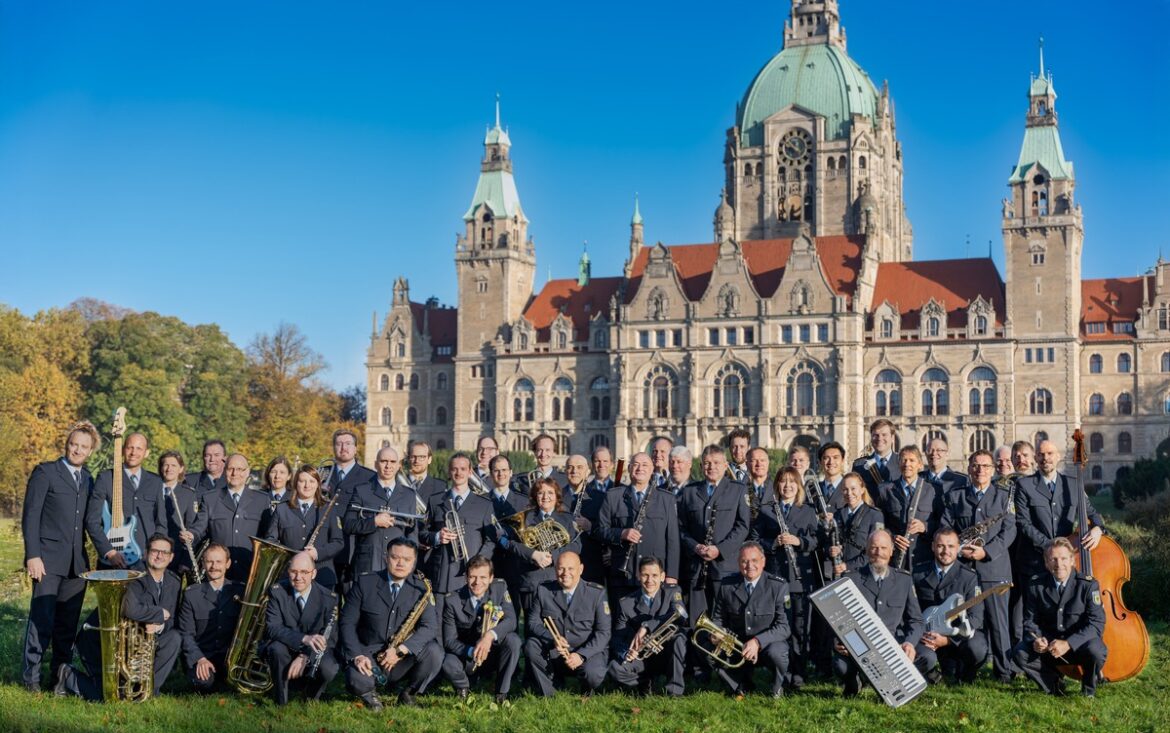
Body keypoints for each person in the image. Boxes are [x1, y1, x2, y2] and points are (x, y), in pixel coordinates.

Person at [55, 533, 184, 700]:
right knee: (109, 697)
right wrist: (159, 614)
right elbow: (129, 609)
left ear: (171, 557)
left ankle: (148, 691)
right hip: (102, 641)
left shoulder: (174, 582)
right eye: (155, 551)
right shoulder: (133, 576)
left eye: (164, 552)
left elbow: (172, 619)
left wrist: (160, 626)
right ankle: (68, 675)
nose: (159, 556)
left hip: (135, 643)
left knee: (173, 637)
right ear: (145, 553)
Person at [22, 420, 100, 691]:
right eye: (73, 444)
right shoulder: (46, 472)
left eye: (83, 447)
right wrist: (33, 555)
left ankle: (59, 679)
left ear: (90, 451)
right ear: (66, 444)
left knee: (67, 626)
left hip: (76, 566)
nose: (77, 450)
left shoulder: (89, 479)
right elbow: (31, 515)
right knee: (42, 621)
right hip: (47, 561)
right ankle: (31, 680)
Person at [941, 449, 1017, 683]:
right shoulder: (956, 496)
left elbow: (1009, 531)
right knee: (960, 622)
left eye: (985, 466)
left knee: (998, 624)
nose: (980, 470)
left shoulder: (1004, 497)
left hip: (994, 570)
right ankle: (962, 672)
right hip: (963, 572)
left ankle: (1004, 673)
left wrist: (986, 552)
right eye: (975, 465)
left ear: (993, 470)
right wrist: (957, 549)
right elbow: (946, 526)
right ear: (969, 468)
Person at [341, 537, 442, 711]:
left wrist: (401, 650)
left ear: (414, 562)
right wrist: (357, 655)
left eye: (407, 559)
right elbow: (346, 623)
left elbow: (430, 626)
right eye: (395, 557)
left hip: (401, 657)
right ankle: (370, 694)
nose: (401, 563)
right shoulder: (365, 583)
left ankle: (409, 693)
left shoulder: (421, 589)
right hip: (369, 655)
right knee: (355, 679)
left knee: (434, 652)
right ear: (386, 557)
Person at [1013, 537, 1106, 697]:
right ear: (1046, 562)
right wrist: (1037, 639)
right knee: (1020, 652)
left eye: (1063, 558)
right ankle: (1055, 686)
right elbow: (1030, 620)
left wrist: (1069, 643)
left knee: (1096, 650)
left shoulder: (1088, 584)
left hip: (1079, 646)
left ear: (1072, 560)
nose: (1058, 564)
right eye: (1053, 559)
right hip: (1050, 646)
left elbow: (1096, 623)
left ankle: (1088, 690)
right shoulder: (1036, 585)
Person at [835, 530, 923, 698]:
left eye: (884, 548)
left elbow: (916, 620)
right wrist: (838, 642)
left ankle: (891, 681)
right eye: (874, 548)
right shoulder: (851, 579)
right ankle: (855, 682)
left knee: (927, 658)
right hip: (859, 645)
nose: (879, 553)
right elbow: (836, 617)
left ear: (891, 551)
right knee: (841, 665)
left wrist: (909, 643)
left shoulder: (904, 580)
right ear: (867, 550)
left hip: (892, 645)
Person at [422, 453, 497, 640]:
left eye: (463, 469)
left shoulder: (484, 504)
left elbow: (491, 539)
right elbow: (422, 533)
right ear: (449, 472)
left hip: (472, 577)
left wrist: (479, 563)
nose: (459, 473)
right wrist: (437, 536)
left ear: (470, 472)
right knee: (439, 626)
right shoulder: (435, 501)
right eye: (454, 469)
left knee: (471, 625)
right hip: (443, 574)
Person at [756, 466, 818, 687]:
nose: (788, 486)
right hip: (775, 578)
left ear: (799, 485)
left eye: (792, 482)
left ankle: (799, 673)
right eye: (783, 482)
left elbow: (815, 541)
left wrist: (798, 542)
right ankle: (781, 671)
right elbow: (756, 540)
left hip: (799, 578)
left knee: (800, 628)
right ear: (777, 486)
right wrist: (773, 543)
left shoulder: (808, 510)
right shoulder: (767, 511)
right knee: (779, 626)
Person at [678, 445, 750, 626]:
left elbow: (742, 526)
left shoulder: (738, 490)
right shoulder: (689, 491)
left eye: (716, 463)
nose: (712, 467)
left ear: (726, 465)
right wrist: (694, 546)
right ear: (701, 466)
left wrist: (720, 549)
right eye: (707, 463)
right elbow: (680, 528)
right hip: (696, 570)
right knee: (697, 623)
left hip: (725, 568)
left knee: (726, 621)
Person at [598, 452, 680, 611]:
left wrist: (672, 575)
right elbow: (600, 530)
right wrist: (621, 534)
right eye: (635, 464)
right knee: (622, 625)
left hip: (655, 577)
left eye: (645, 465)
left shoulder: (666, 499)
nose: (640, 468)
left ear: (652, 470)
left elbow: (673, 541)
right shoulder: (613, 496)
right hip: (624, 574)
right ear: (629, 468)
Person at [524, 551, 612, 697]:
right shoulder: (543, 590)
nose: (565, 573)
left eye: (571, 568)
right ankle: (549, 692)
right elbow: (532, 622)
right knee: (531, 645)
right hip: (556, 651)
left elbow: (604, 633)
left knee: (593, 675)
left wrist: (581, 655)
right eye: (561, 568)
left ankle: (586, 686)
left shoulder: (596, 593)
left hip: (586, 651)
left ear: (581, 569)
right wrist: (552, 639)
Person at [710, 542, 791, 698]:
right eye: (744, 561)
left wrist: (757, 641)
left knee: (778, 652)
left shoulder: (778, 586)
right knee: (708, 649)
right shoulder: (727, 585)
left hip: (766, 645)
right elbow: (718, 618)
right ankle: (740, 685)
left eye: (754, 560)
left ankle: (776, 687)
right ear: (738, 563)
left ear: (763, 561)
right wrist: (715, 632)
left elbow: (783, 627)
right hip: (738, 643)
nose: (749, 565)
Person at [261, 551, 340, 705]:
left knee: (329, 668)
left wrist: (305, 656)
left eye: (304, 572)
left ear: (314, 573)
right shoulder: (277, 592)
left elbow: (330, 638)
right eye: (294, 572)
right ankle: (280, 700)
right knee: (275, 649)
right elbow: (272, 628)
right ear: (287, 572)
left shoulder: (329, 598)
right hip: (285, 646)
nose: (298, 577)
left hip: (314, 650)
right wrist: (304, 639)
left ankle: (310, 696)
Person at [440, 555, 520, 703]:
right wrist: (472, 651)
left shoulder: (500, 588)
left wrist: (489, 636)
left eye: (483, 577)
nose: (477, 582)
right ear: (466, 577)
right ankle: (463, 687)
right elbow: (449, 641)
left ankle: (501, 693)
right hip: (469, 656)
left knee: (513, 640)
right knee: (447, 661)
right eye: (472, 577)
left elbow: (511, 620)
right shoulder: (452, 600)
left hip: (493, 653)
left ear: (491, 578)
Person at [911, 529, 987, 684]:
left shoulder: (969, 576)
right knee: (924, 657)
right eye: (940, 546)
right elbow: (910, 611)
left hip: (956, 635)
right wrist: (922, 635)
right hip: (926, 634)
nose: (946, 551)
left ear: (958, 548)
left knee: (977, 647)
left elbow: (976, 618)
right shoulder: (917, 573)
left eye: (951, 546)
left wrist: (947, 640)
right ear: (932, 546)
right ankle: (931, 674)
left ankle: (966, 674)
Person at [85, 431, 167, 571]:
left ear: (146, 453)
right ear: (123, 450)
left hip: (145, 562)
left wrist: (155, 552)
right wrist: (109, 552)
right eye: (130, 447)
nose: (133, 452)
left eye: (139, 448)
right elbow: (92, 521)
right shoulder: (105, 478)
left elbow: (161, 523)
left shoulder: (155, 482)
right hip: (111, 561)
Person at [607, 556, 687, 696]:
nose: (650, 580)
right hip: (642, 658)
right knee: (614, 668)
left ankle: (674, 691)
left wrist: (647, 626)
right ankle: (644, 681)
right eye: (645, 575)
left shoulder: (673, 592)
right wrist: (627, 652)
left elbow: (680, 615)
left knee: (679, 638)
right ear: (638, 576)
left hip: (667, 656)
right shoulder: (626, 603)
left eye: (655, 575)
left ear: (662, 577)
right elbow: (617, 638)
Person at [501, 478, 581, 615]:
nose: (545, 497)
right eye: (540, 493)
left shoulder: (567, 519)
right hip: (531, 580)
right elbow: (510, 543)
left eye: (550, 492)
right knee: (531, 626)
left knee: (558, 625)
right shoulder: (525, 518)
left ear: (557, 496)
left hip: (558, 579)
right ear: (535, 496)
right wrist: (533, 554)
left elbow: (576, 546)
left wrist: (554, 556)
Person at [187, 453, 270, 583]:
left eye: (240, 469)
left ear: (247, 472)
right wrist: (191, 534)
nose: (234, 473)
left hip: (250, 573)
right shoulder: (210, 498)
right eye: (230, 469)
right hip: (219, 573)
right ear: (225, 471)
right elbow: (199, 527)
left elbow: (268, 535)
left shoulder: (262, 500)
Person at [345, 446, 423, 577]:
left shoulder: (409, 495)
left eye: (392, 462)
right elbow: (348, 525)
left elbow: (412, 533)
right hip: (368, 562)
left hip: (398, 564)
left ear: (399, 465)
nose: (388, 466)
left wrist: (411, 562)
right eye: (383, 461)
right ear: (376, 464)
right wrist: (373, 521)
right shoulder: (361, 490)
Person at [264, 464, 344, 590]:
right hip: (289, 576)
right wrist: (289, 556)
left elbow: (338, 542)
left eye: (312, 481)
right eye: (302, 481)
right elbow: (270, 540)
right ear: (296, 483)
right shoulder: (282, 509)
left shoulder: (328, 509)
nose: (307, 485)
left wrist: (317, 553)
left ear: (318, 484)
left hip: (321, 576)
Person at [177, 543, 243, 692]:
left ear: (228, 564)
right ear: (203, 564)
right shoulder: (191, 594)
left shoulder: (241, 591)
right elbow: (186, 634)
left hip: (230, 658)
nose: (214, 566)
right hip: (204, 655)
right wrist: (199, 659)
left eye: (219, 561)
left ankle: (223, 678)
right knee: (203, 683)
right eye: (209, 562)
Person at [875, 445, 939, 570]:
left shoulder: (932, 490)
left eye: (912, 460)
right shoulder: (885, 490)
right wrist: (890, 537)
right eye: (903, 460)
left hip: (924, 559)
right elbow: (878, 524)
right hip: (896, 560)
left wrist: (924, 526)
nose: (907, 464)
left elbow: (942, 523)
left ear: (920, 465)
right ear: (898, 464)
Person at [828, 473, 884, 576]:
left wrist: (848, 566)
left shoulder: (875, 515)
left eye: (853, 488)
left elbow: (876, 550)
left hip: (864, 574)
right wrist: (834, 549)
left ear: (862, 489)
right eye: (845, 489)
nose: (849, 493)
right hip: (841, 574)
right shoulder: (837, 515)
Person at [158, 451, 200, 579]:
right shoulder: (151, 490)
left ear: (181, 469)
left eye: (174, 465)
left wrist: (186, 560)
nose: (169, 469)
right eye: (166, 465)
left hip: (175, 558)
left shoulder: (188, 494)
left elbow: (191, 529)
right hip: (151, 554)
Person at [852, 419, 900, 494]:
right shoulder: (859, 465)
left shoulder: (902, 462)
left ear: (892, 438)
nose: (879, 438)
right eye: (875, 435)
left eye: (884, 435)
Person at [745, 447, 775, 538]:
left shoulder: (779, 489)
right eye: (754, 460)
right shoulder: (738, 490)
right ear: (746, 464)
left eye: (762, 460)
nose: (759, 464)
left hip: (773, 544)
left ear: (768, 462)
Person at [816, 441, 849, 512]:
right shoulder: (813, 490)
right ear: (820, 462)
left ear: (842, 461)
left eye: (835, 457)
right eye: (826, 458)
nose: (831, 462)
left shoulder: (851, 488)